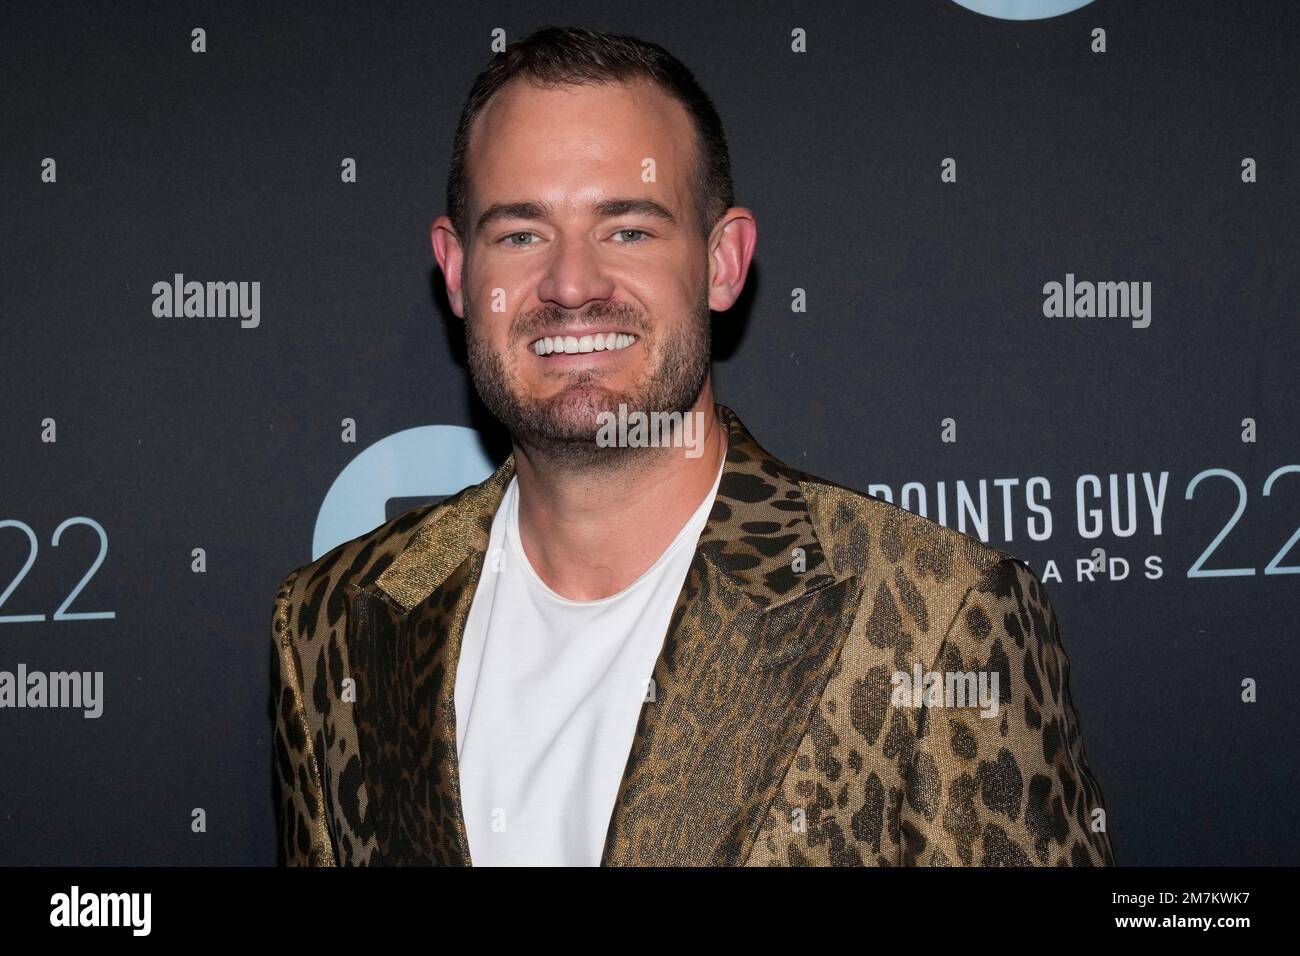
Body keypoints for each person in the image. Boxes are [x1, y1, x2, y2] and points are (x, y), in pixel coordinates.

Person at [270, 24, 1115, 867]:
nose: (571, 285)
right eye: (520, 233)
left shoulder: (935, 617)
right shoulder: (333, 622)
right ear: (457, 273)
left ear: (723, 262)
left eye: (628, 229)